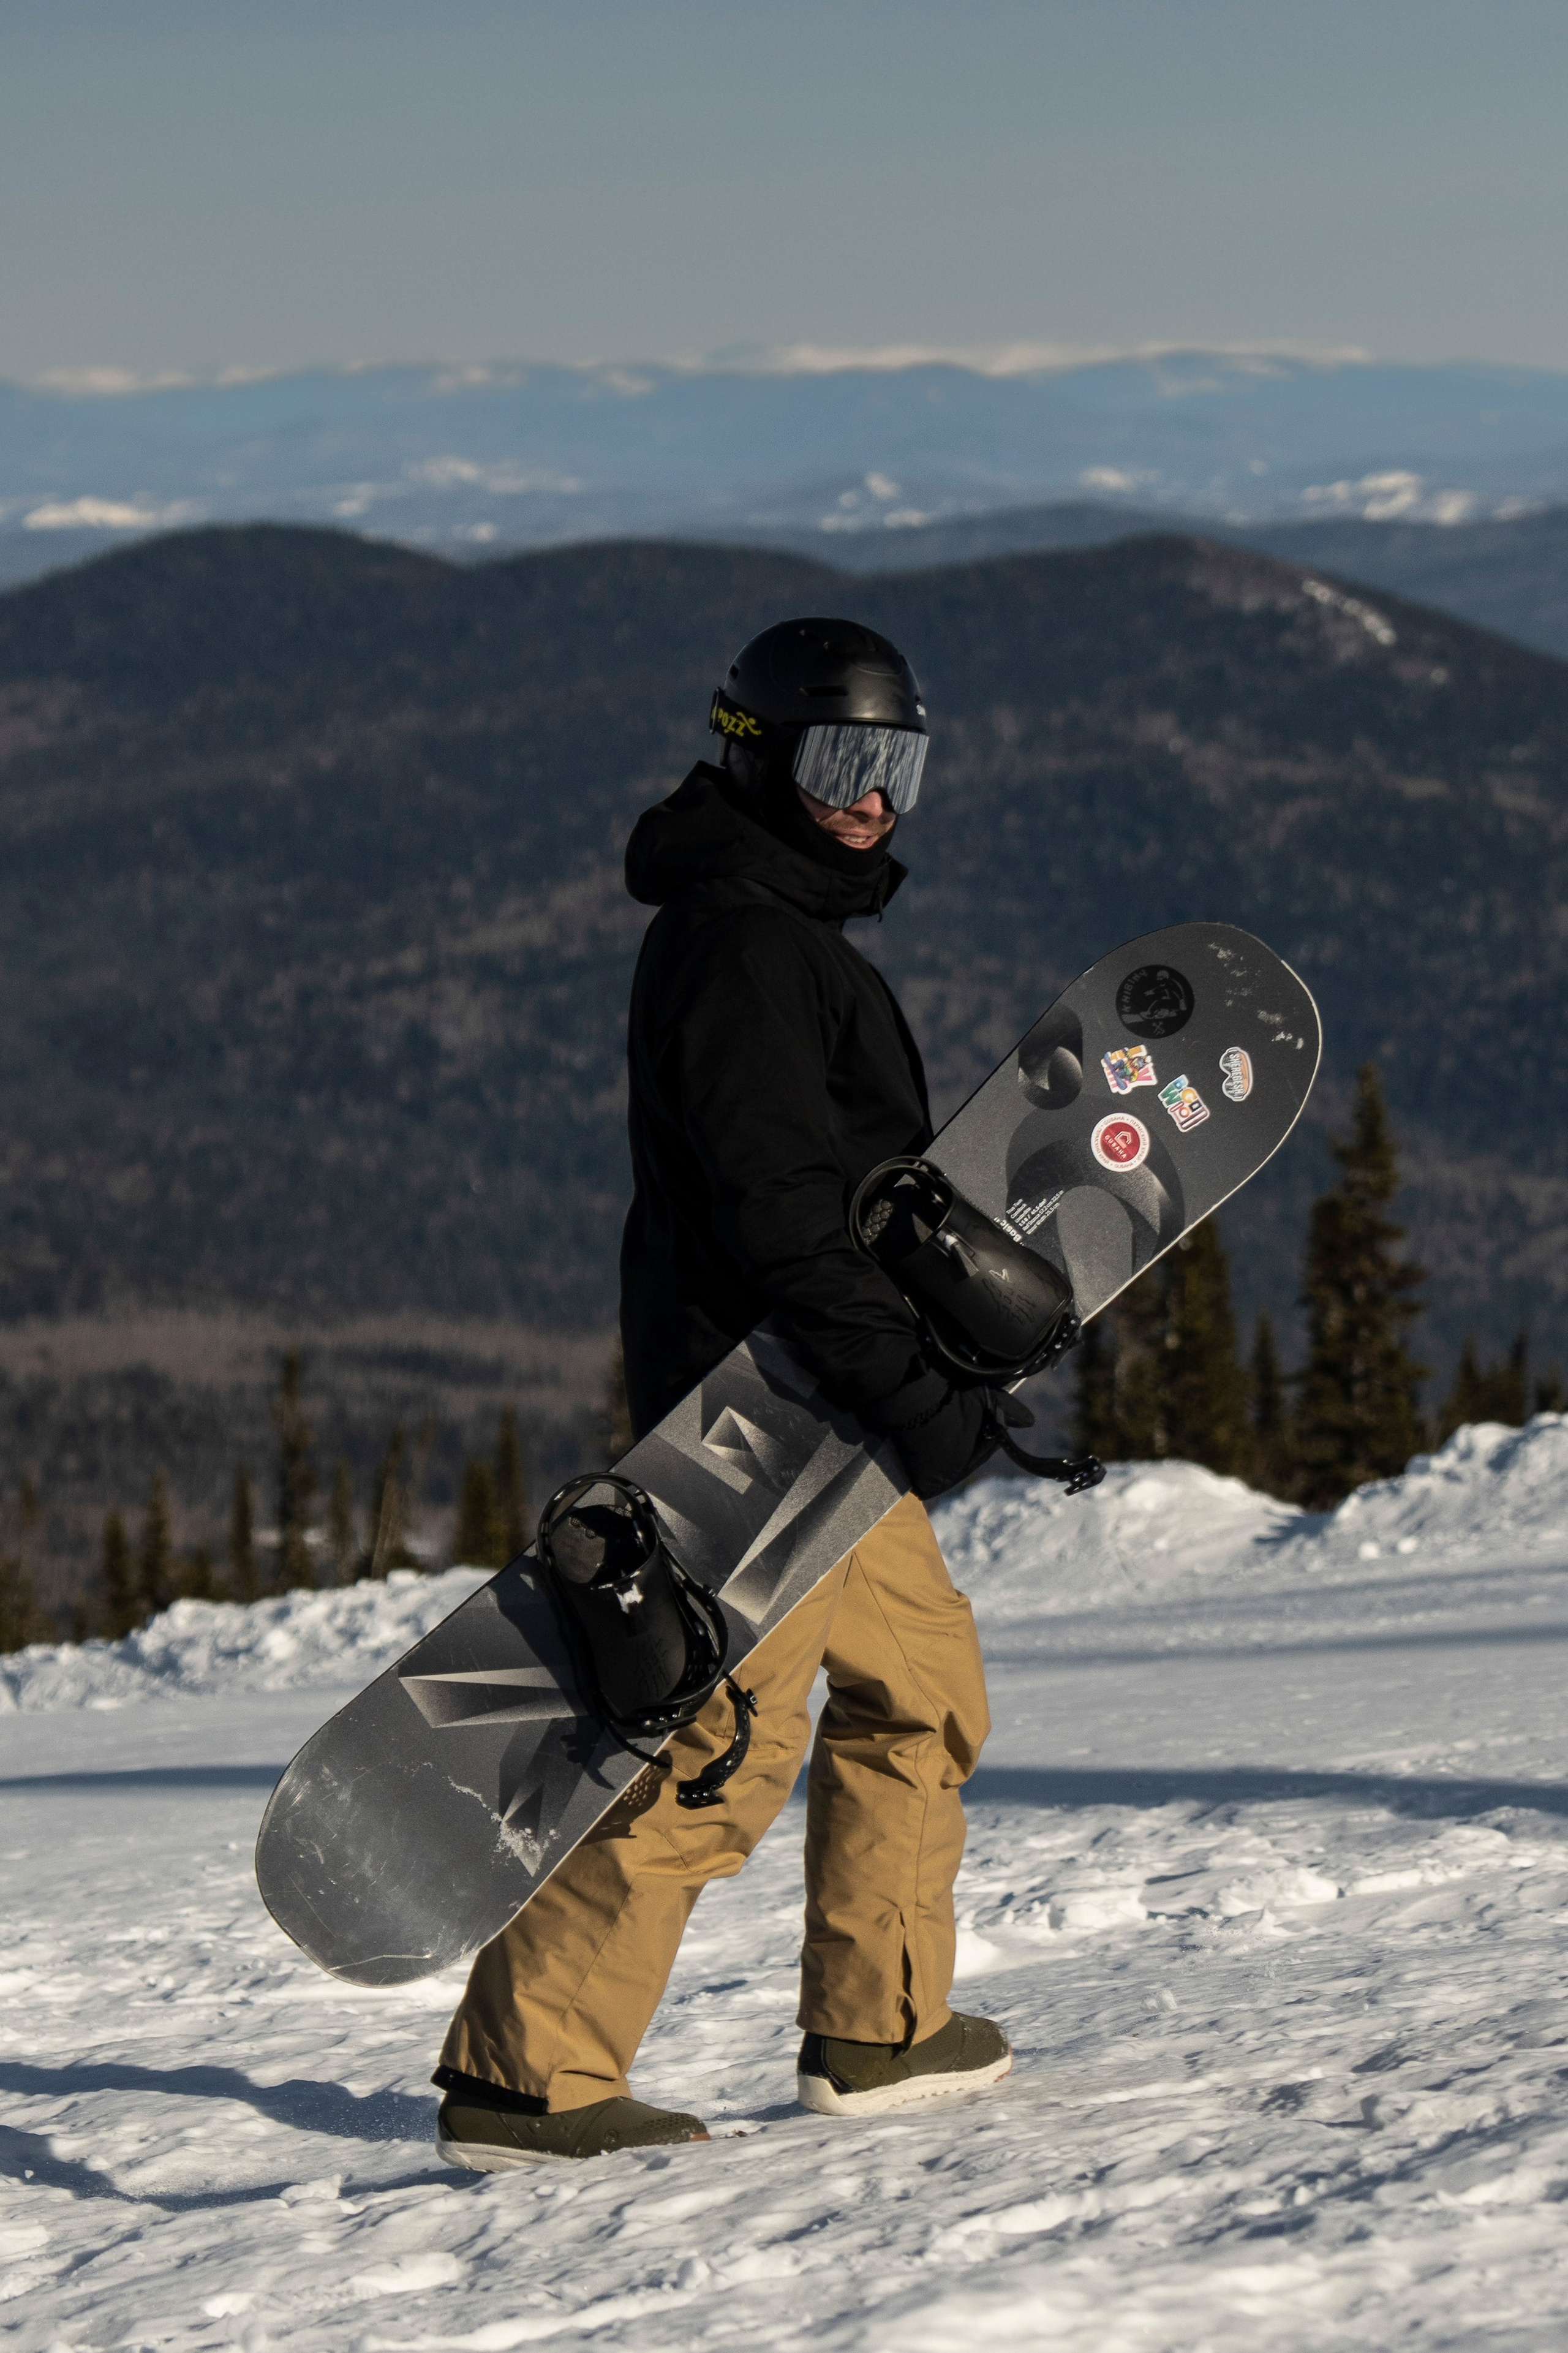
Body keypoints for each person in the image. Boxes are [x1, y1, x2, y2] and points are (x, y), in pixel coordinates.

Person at [433, 618, 1013, 2168]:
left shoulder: (783, 929)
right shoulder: (742, 945)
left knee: (921, 1690)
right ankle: (529, 2081)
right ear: (756, 760)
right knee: (719, 1743)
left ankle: (883, 2026)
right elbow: (779, 1216)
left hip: (831, 1400)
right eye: (840, 763)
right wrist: (907, 1380)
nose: (871, 800)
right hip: (759, 1413)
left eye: (896, 767)